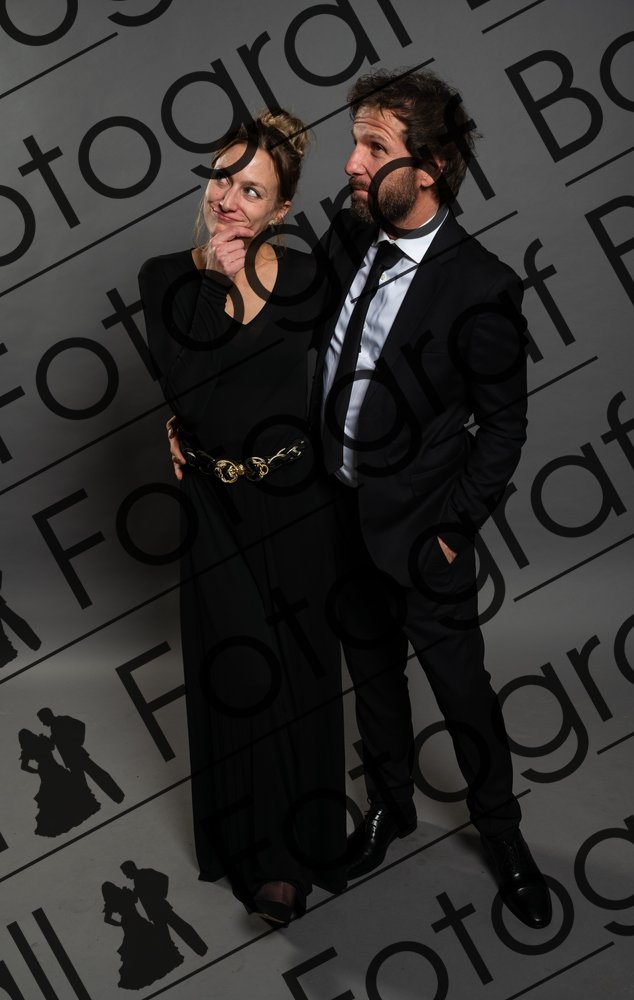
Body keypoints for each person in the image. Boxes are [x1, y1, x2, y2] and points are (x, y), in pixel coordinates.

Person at [309, 67, 552, 929]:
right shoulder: (347, 235)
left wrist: (452, 528)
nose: (351, 163)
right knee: (371, 675)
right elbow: (299, 338)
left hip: (423, 534)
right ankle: (391, 806)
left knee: (462, 693)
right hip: (340, 514)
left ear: (434, 166)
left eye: (373, 147)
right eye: (355, 143)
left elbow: (505, 428)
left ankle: (504, 835)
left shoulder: (481, 285)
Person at [138, 109, 346, 926]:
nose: (229, 197)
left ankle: (294, 855)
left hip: (297, 499)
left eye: (252, 189)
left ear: (281, 210)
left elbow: (350, 376)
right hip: (212, 504)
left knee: (299, 673)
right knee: (240, 674)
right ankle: (251, 851)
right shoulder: (166, 277)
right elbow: (189, 397)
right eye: (223, 177)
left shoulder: (308, 278)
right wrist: (221, 290)